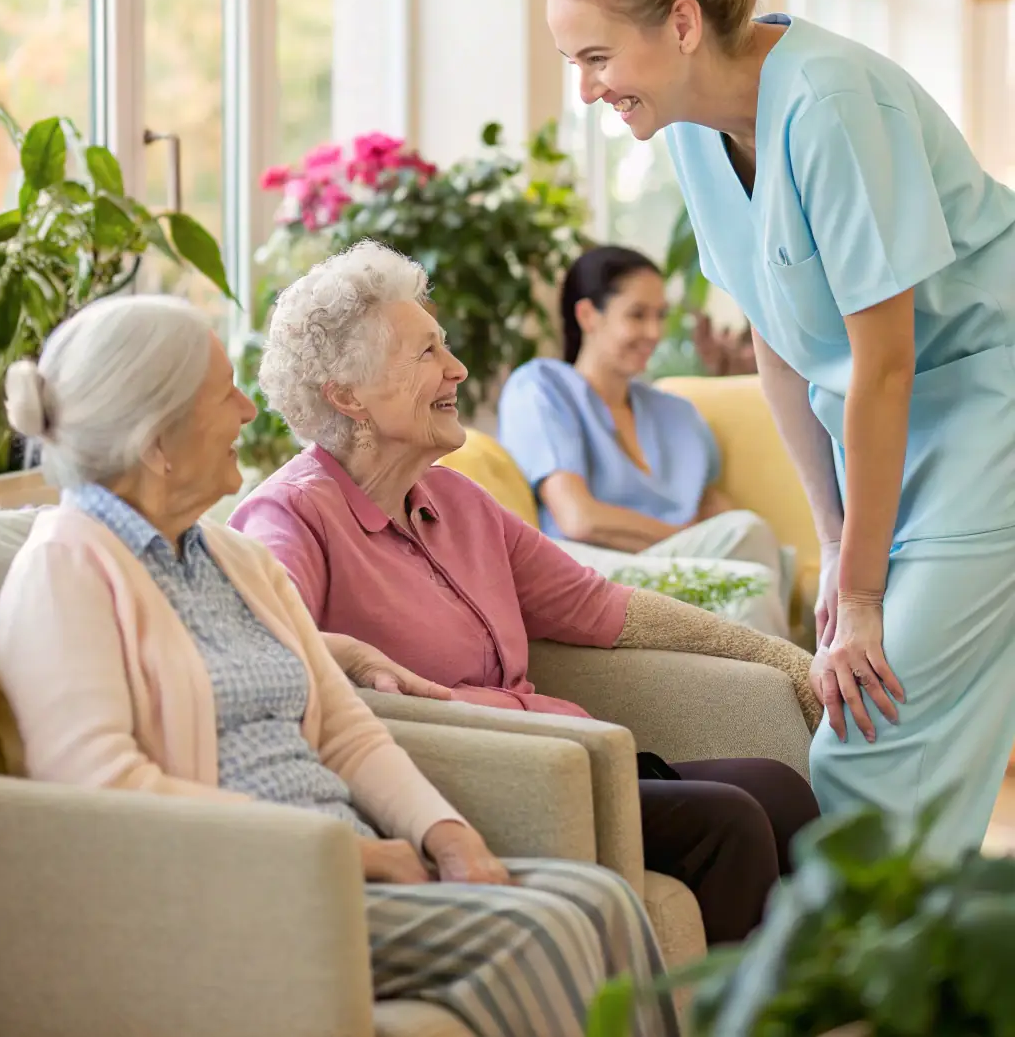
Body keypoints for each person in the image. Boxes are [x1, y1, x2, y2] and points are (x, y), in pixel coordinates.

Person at [0, 295, 678, 1037]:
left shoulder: (234, 556)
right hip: (236, 886)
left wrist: (448, 833)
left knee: (603, 901)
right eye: (225, 392)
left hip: (333, 861)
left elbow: (347, 729)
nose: (250, 411)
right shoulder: (65, 566)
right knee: (540, 934)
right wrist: (343, 852)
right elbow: (101, 787)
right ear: (158, 437)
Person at [543, 0, 1015, 856]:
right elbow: (779, 341)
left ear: (678, 24)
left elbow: (882, 361)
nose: (586, 89)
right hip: (893, 422)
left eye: (594, 59)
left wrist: (859, 593)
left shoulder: (829, 101)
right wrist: (830, 551)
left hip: (989, 401)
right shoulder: (696, 132)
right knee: (876, 713)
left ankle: (864, 989)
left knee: (873, 721)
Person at [229, 241, 822, 946]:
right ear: (347, 393)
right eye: (426, 354)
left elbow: (605, 607)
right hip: (479, 777)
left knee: (779, 785)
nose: (457, 369)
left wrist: (780, 658)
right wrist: (351, 656)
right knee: (729, 821)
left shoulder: (454, 498)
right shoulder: (291, 514)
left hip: (570, 750)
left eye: (444, 345)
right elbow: (260, 651)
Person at [497, 245, 791, 636]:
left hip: (672, 566)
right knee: (746, 540)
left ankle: (768, 682)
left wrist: (717, 537)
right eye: (637, 315)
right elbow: (579, 518)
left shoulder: (676, 413)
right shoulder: (541, 387)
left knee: (760, 563)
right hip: (588, 569)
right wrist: (701, 541)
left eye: (660, 317)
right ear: (587, 315)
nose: (654, 333)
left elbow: (715, 506)